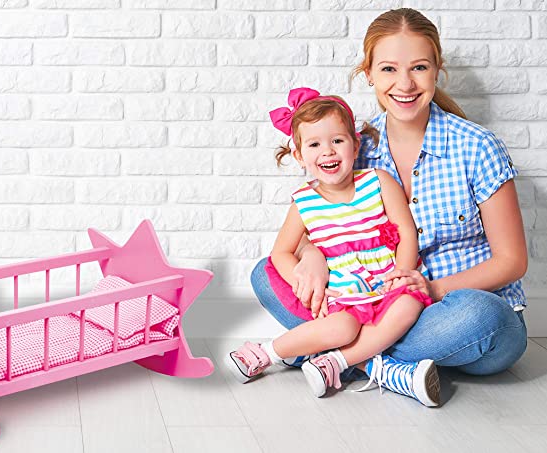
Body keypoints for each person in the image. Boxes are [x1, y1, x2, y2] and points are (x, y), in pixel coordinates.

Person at [249, 8, 528, 405]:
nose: (405, 84)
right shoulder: (355, 146)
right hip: (374, 306)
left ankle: (339, 352)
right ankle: (382, 366)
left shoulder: (477, 146)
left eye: (419, 67)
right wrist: (311, 254)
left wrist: (431, 288)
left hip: (452, 310)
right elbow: (325, 221)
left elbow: (512, 261)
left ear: (437, 70)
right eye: (388, 69)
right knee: (266, 274)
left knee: (482, 314)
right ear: (369, 74)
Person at [225, 88, 439, 406]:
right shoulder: (304, 202)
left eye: (337, 140)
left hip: (387, 283)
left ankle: (334, 362)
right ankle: (267, 352)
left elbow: (406, 231)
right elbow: (281, 252)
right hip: (344, 293)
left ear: (355, 145)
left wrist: (401, 273)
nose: (328, 151)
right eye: (314, 144)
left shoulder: (378, 181)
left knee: (409, 306)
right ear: (299, 155)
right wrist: (308, 286)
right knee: (341, 327)